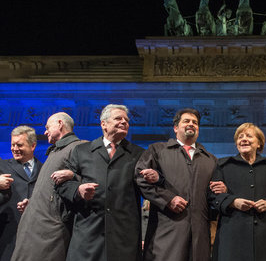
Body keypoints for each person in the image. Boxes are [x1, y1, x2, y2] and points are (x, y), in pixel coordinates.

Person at [56, 104, 144, 261]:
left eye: (126, 120)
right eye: (118, 118)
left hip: (123, 238)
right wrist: (78, 190)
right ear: (103, 124)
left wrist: (156, 177)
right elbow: (62, 184)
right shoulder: (82, 151)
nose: (124, 122)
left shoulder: (138, 154)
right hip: (89, 233)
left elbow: (150, 188)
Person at [135, 108, 220, 261]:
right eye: (186, 121)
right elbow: (140, 178)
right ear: (175, 128)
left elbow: (214, 194)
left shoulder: (211, 160)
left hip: (199, 236)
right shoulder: (157, 150)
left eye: (195, 122)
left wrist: (222, 191)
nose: (191, 124)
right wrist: (168, 199)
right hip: (167, 232)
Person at [209, 122, 266, 261]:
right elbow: (212, 196)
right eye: (240, 137)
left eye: (249, 136)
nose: (243, 139)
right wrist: (233, 202)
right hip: (233, 237)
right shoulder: (223, 166)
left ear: (259, 143)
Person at [11, 112, 85, 261]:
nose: (45, 132)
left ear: (60, 124)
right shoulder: (55, 151)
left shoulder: (79, 147)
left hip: (50, 230)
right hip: (34, 225)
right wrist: (33, 203)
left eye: (47, 127)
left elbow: (92, 178)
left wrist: (73, 176)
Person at [0, 126, 43, 261]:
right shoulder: (2, 165)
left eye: (19, 145)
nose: (14, 148)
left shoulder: (44, 169)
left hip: (35, 235)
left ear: (33, 146)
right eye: (12, 144)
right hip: (7, 233)